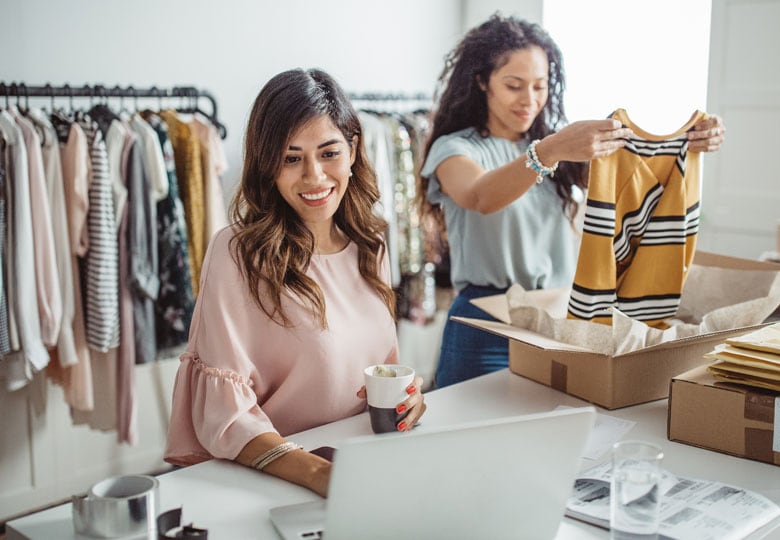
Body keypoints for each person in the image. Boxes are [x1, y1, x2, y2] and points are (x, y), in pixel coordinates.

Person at [417, 14, 726, 388]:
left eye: (539, 86)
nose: (529, 100)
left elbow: (634, 174)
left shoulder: (559, 149)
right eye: (514, 85)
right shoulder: (456, 148)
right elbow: (480, 196)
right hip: (485, 326)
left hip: (557, 319)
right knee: (467, 436)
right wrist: (549, 151)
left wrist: (689, 140)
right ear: (483, 82)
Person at [164, 68, 426, 497]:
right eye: (291, 158)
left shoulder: (370, 242)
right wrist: (320, 475)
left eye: (329, 153)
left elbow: (379, 370)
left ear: (353, 149)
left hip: (363, 466)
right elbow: (225, 415)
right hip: (273, 481)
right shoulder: (237, 254)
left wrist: (408, 399)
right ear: (268, 165)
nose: (314, 177)